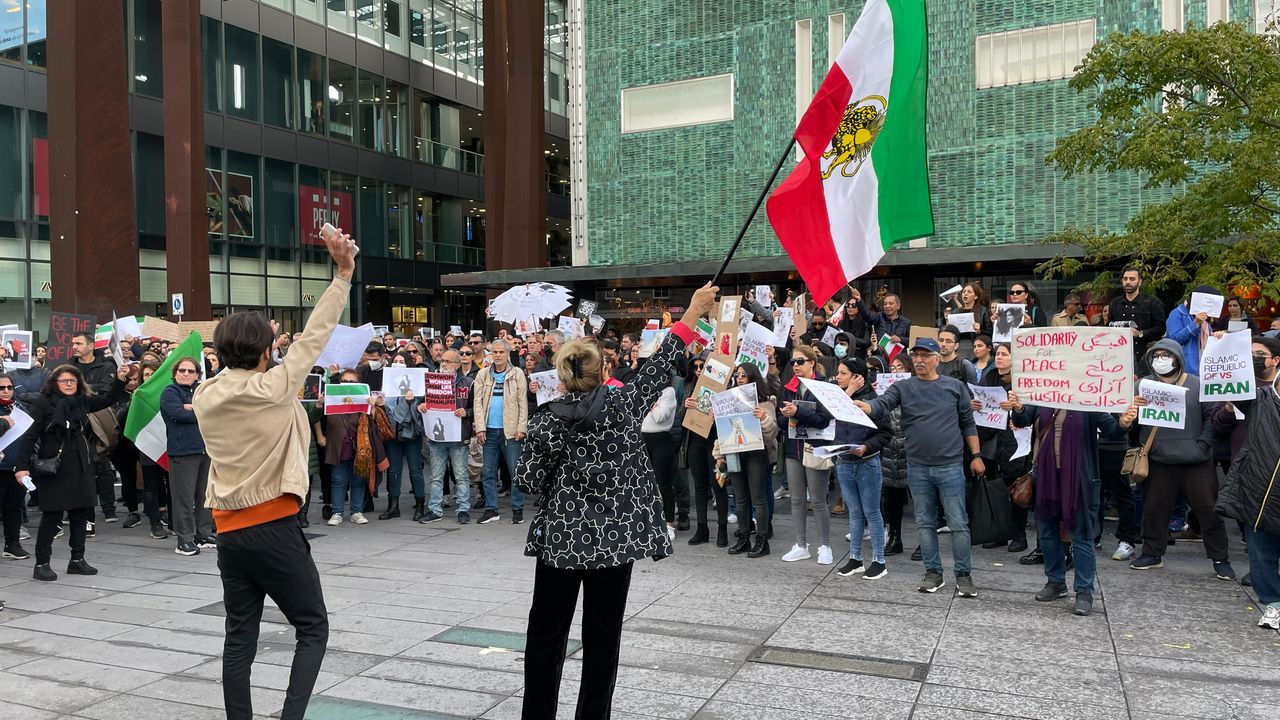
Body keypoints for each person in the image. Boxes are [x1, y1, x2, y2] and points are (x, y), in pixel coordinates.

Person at [516, 283, 715, 719]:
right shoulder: (623, 405)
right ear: (602, 369)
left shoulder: (546, 421)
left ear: (562, 376)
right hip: (614, 541)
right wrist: (693, 310)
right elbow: (661, 362)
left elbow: (528, 481)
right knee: (603, 640)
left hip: (561, 541)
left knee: (545, 637)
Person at [190, 225, 354, 720]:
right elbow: (317, 334)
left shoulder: (204, 393)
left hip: (228, 531)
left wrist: (267, 347)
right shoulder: (274, 387)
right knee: (313, 628)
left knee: (240, 635)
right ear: (265, 351)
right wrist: (343, 273)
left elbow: (266, 360)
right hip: (273, 525)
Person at [855, 338, 983, 597]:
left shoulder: (955, 386)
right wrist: (866, 406)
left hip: (950, 466)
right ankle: (933, 572)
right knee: (924, 523)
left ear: (937, 359)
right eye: (915, 356)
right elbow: (882, 403)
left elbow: (968, 422)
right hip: (917, 467)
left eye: (925, 355)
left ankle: (964, 575)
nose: (919, 360)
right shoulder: (903, 387)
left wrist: (976, 455)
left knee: (958, 523)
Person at [1010, 393, 1138, 616]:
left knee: (1082, 535)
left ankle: (1084, 590)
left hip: (1078, 479)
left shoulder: (1087, 398)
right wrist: (1019, 408)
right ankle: (1055, 582)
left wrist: (1124, 422)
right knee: (1047, 532)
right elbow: (1022, 419)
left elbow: (1112, 430)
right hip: (1046, 477)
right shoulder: (1040, 395)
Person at [10, 363, 130, 581]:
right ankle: (42, 563)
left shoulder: (82, 401)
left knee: (80, 513)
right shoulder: (44, 403)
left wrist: (120, 379)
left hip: (80, 463)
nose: (68, 384)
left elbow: (108, 400)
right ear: (54, 383)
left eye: (73, 380)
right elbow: (29, 436)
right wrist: (22, 467)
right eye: (64, 381)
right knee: (52, 516)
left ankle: (77, 559)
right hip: (54, 466)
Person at [1127, 339, 1234, 579]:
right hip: (1159, 461)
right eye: (1156, 355)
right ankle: (1152, 553)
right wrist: (1131, 412)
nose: (1161, 360)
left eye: (1166, 355)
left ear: (1178, 358)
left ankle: (1220, 558)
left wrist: (1203, 445)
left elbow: (1212, 419)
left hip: (1197, 462)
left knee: (1208, 511)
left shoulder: (1197, 385)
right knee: (1154, 510)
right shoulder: (1142, 386)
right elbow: (1127, 423)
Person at [1215, 336, 1280, 628]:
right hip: (1257, 489)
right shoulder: (1258, 396)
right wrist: (1224, 347)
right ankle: (1273, 604)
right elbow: (1227, 385)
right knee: (1261, 553)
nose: (1253, 358)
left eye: (1259, 353)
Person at [829, 357, 891, 579]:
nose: (838, 377)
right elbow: (829, 415)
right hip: (844, 462)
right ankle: (855, 558)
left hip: (867, 463)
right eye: (838, 372)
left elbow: (886, 432)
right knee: (854, 513)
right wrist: (848, 392)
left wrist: (866, 446)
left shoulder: (873, 400)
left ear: (857, 376)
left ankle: (879, 561)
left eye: (843, 373)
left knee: (872, 512)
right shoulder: (838, 395)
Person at [778, 344, 836, 565]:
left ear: (812, 362)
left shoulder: (823, 386)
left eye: (800, 361)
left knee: (819, 499)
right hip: (793, 448)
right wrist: (786, 415)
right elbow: (780, 421)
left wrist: (797, 412)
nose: (796, 365)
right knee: (796, 499)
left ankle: (825, 545)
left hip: (815, 447)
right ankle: (801, 545)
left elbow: (824, 419)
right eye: (793, 362)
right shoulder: (789, 387)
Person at [972, 343, 1031, 553]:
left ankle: (1019, 535)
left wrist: (1015, 408)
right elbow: (981, 404)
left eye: (1004, 354)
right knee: (995, 488)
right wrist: (975, 405)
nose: (999, 358)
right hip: (991, 440)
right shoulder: (989, 378)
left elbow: (1030, 411)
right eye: (997, 354)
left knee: (1017, 488)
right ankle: (1000, 533)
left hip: (1016, 442)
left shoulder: (1023, 381)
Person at [719, 363, 777, 558]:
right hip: (735, 452)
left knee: (758, 498)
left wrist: (763, 418)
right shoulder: (729, 400)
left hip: (756, 453)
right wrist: (719, 454)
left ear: (753, 378)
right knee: (741, 497)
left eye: (744, 375)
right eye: (738, 375)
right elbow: (722, 429)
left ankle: (762, 540)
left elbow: (772, 433)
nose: (740, 378)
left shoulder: (765, 402)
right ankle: (743, 537)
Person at [160, 356, 215, 557]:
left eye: (191, 371)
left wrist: (193, 408)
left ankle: (203, 534)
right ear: (175, 373)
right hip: (183, 452)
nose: (186, 374)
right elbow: (179, 414)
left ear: (197, 375)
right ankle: (184, 539)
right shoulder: (170, 392)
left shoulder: (201, 391)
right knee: (183, 498)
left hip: (205, 450)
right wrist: (201, 410)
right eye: (182, 370)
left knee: (204, 496)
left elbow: (216, 413)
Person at [473, 339, 528, 524]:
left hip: (511, 431)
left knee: (514, 472)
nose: (497, 355)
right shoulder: (482, 374)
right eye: (495, 352)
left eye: (501, 352)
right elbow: (477, 403)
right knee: (488, 472)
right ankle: (491, 509)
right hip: (489, 430)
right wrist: (480, 427)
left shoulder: (517, 373)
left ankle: (517, 508)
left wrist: (521, 428)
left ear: (508, 354)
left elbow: (522, 403)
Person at [323, 369, 386, 525]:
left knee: (358, 479)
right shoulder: (331, 398)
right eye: (345, 381)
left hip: (359, 446)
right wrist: (319, 405)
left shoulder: (364, 399)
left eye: (352, 382)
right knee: (338, 480)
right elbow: (319, 418)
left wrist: (373, 406)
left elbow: (377, 421)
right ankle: (337, 512)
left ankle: (356, 511)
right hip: (338, 446)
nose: (348, 384)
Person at [69, 331, 120, 525]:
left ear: (91, 346)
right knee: (78, 466)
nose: (74, 347)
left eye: (78, 343)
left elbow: (107, 390)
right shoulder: (69, 366)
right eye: (73, 343)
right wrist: (91, 389)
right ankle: (79, 510)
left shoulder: (106, 365)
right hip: (77, 420)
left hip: (100, 417)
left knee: (102, 463)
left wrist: (79, 389)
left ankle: (109, 509)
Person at [418, 348, 474, 524]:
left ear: (457, 365)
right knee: (436, 476)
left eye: (447, 361)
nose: (443, 364)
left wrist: (467, 412)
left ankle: (463, 509)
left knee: (461, 475)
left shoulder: (468, 383)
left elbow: (477, 408)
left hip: (458, 436)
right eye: (442, 361)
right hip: (437, 437)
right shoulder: (431, 381)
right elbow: (422, 402)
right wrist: (421, 406)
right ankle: (435, 509)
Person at [682, 357, 730, 547]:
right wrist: (685, 406)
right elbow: (680, 417)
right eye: (695, 366)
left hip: (715, 441)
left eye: (703, 366)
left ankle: (722, 528)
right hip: (694, 440)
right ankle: (702, 528)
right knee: (700, 485)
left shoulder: (722, 387)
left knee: (719, 484)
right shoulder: (688, 387)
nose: (699, 369)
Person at [877, 355, 911, 556]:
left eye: (900, 367)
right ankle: (895, 537)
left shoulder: (914, 389)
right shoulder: (884, 392)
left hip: (911, 450)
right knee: (892, 500)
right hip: (890, 451)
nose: (895, 371)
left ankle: (924, 543)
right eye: (893, 367)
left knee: (922, 501)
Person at [380, 373, 426, 521]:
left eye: (401, 362)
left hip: (412, 434)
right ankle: (393, 506)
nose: (398, 364)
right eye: (396, 362)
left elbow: (418, 415)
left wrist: (411, 403)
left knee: (415, 470)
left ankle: (420, 505)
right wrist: (381, 404)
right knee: (393, 470)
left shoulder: (418, 388)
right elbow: (391, 415)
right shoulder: (386, 389)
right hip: (392, 433)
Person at [640, 365, 679, 541]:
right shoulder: (644, 390)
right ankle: (648, 521)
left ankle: (669, 522)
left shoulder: (668, 392)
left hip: (661, 440)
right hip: (643, 439)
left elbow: (660, 416)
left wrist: (651, 400)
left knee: (663, 483)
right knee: (644, 483)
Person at [0, 373, 32, 562]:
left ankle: (12, 544)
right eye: (1, 388)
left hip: (16, 466)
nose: (6, 391)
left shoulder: (18, 407)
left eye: (9, 387)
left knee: (14, 507)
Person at [1107, 267, 1166, 360]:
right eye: (1125, 279)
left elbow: (1161, 328)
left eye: (1132, 279)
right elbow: (1109, 326)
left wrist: (1140, 333)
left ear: (1140, 282)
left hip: (1145, 355)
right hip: (1119, 354)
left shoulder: (1153, 302)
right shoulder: (1115, 303)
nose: (1128, 282)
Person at [1166, 285, 1223, 377]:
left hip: (1203, 370)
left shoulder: (1205, 322)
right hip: (1183, 370)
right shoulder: (1178, 313)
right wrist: (1195, 323)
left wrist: (1217, 336)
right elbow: (1174, 340)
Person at [949, 281, 992, 357]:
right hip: (958, 346)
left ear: (976, 296)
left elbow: (990, 332)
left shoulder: (983, 311)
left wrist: (979, 330)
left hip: (975, 346)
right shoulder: (955, 312)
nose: (965, 294)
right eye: (964, 292)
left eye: (969, 292)